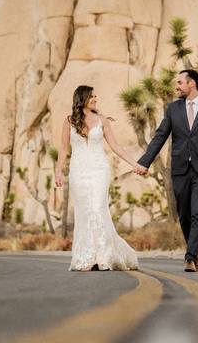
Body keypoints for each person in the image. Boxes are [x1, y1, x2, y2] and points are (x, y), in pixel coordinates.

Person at [134, 69, 198, 272]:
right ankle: (194, 248)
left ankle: (190, 256)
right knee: (184, 214)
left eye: (179, 83)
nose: (176, 86)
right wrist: (144, 162)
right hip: (179, 168)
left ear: (191, 83)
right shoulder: (173, 108)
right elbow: (160, 136)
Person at [54, 85, 139, 271]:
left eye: (95, 95)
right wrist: (58, 171)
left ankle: (103, 256)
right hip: (78, 172)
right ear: (82, 98)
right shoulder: (69, 122)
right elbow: (62, 149)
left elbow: (116, 147)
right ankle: (87, 256)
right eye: (91, 96)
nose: (95, 98)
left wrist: (134, 164)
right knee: (84, 212)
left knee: (98, 208)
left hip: (99, 170)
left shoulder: (102, 121)